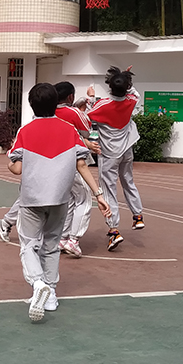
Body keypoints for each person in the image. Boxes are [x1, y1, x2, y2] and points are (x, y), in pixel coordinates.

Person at [8, 83, 111, 322]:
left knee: (28, 245)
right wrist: (98, 194)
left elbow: (17, 168)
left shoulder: (25, 131)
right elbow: (81, 164)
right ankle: (51, 294)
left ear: (31, 105)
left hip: (32, 198)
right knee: (52, 245)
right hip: (60, 199)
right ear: (56, 103)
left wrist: (9, 164)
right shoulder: (69, 130)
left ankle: (38, 283)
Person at [86, 66, 145, 251]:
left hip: (109, 153)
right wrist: (125, 80)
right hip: (127, 150)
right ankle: (137, 216)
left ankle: (114, 230)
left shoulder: (102, 105)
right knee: (128, 181)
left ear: (109, 86)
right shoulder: (131, 100)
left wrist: (90, 97)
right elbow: (135, 93)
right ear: (126, 87)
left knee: (108, 191)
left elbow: (87, 115)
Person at [54, 81, 102, 258]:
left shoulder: (46, 112)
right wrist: (88, 102)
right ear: (70, 96)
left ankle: (63, 237)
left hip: (53, 159)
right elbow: (87, 129)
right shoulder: (73, 112)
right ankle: (73, 240)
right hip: (72, 159)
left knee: (69, 200)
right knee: (84, 199)